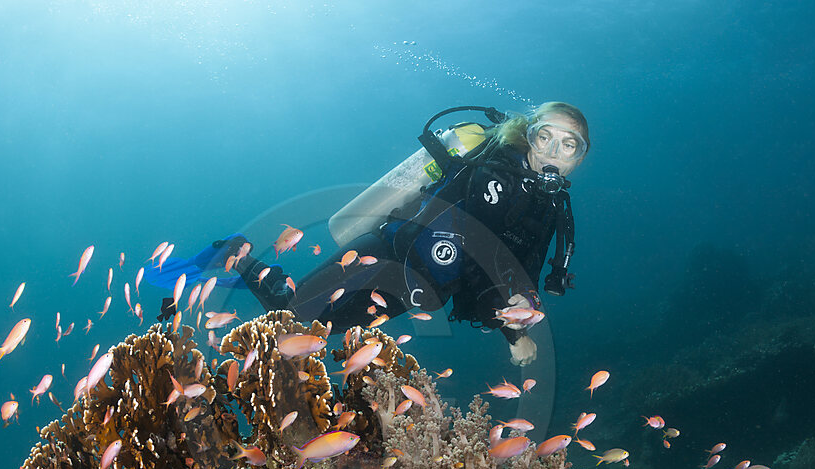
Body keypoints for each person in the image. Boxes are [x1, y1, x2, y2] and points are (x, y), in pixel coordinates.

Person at [157, 102, 589, 366]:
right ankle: (238, 256)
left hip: (418, 289)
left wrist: (521, 304)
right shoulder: (497, 176)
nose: (552, 151)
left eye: (568, 145)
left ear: (580, 158)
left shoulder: (549, 205)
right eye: (544, 136)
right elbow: (478, 253)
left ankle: (244, 268)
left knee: (310, 330)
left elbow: (518, 265)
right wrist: (515, 331)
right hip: (386, 254)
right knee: (293, 319)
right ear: (528, 135)